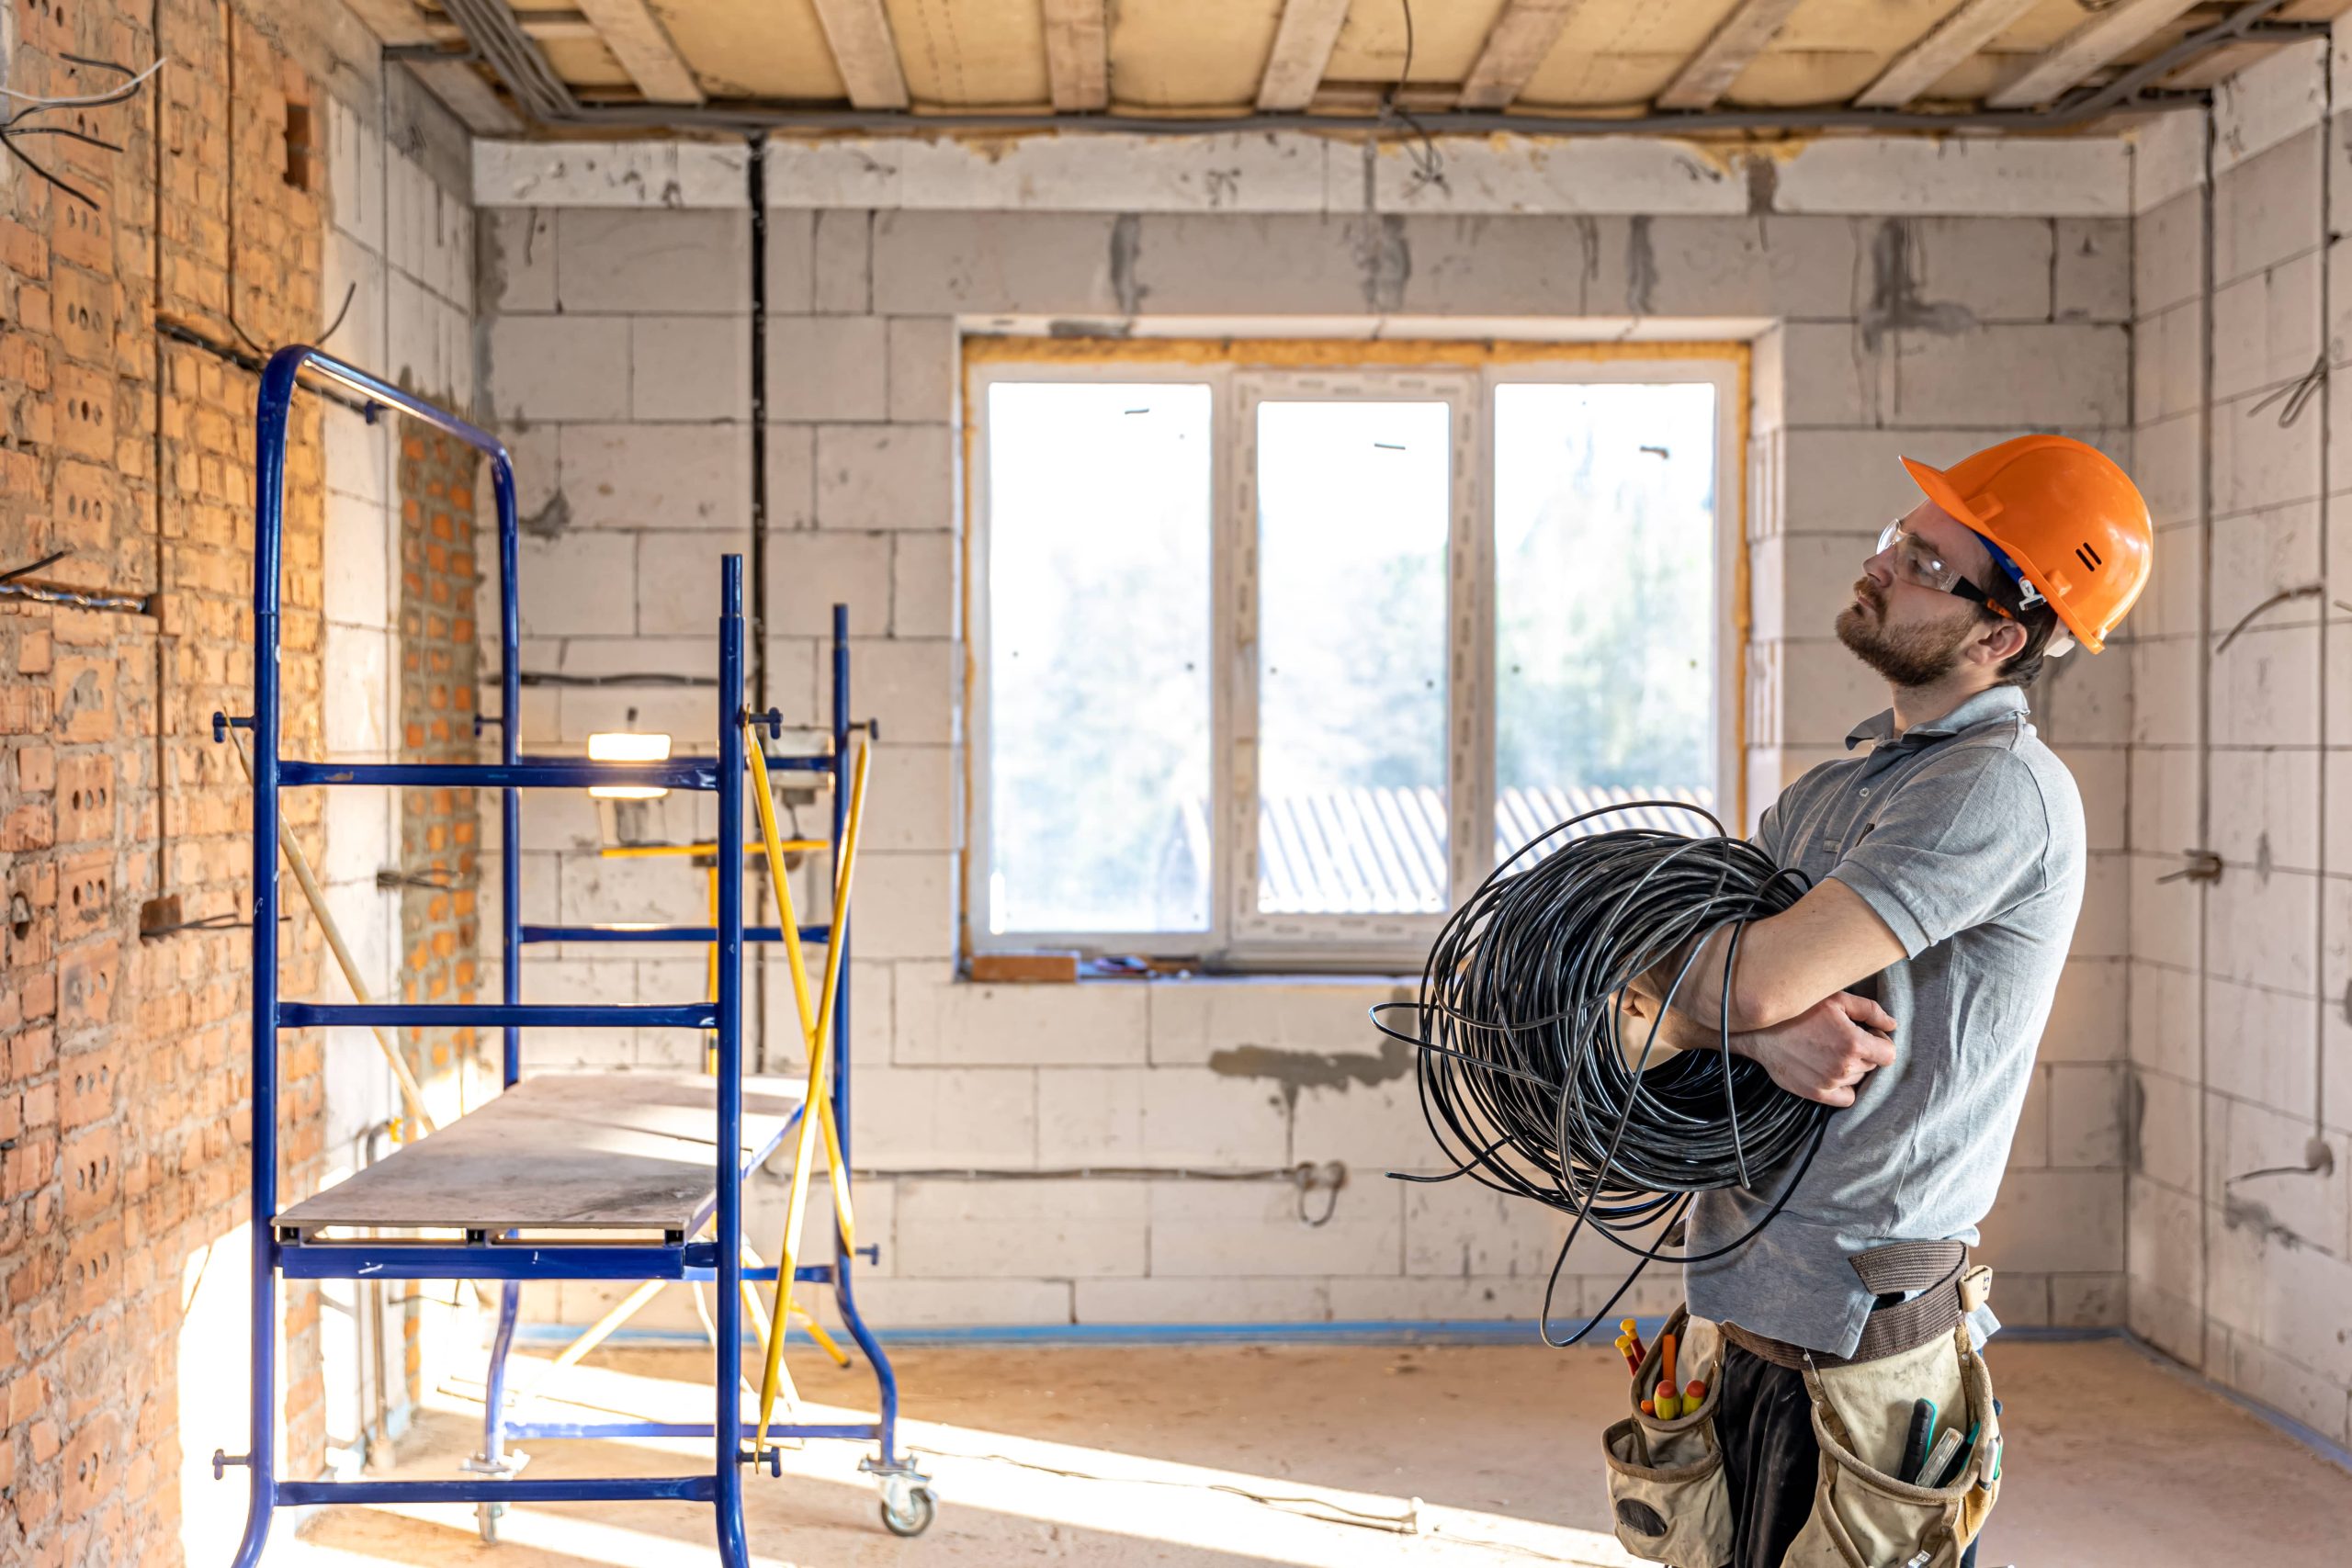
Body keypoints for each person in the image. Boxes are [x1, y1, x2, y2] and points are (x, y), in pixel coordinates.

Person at [1624, 434, 2153, 1568]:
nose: (1881, 564)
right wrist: (1762, 1041)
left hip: (1860, 1330)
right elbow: (1662, 967)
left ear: (1999, 634)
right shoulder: (1830, 793)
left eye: (1923, 565)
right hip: (1737, 1295)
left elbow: (1720, 974)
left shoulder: (1991, 789)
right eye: (1895, 541)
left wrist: (1727, 996)